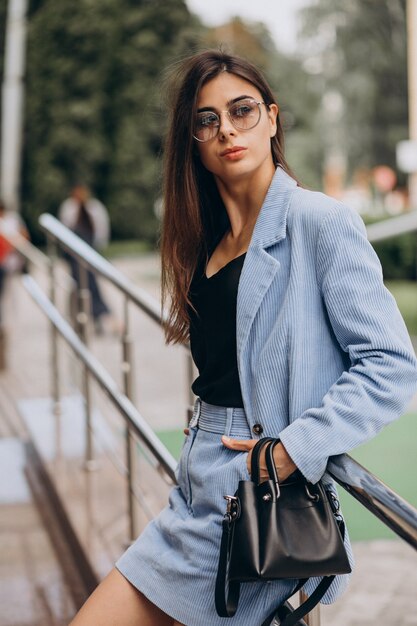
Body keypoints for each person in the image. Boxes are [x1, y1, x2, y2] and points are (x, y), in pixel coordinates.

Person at [69, 50, 417, 626]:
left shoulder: (316, 222)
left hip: (251, 492)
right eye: (207, 120)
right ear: (193, 142)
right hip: (196, 482)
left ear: (273, 119)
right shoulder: (204, 242)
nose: (226, 129)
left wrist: (293, 449)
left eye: (242, 110)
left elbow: (390, 364)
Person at [58, 185, 111, 333]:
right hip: (75, 255)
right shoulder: (69, 207)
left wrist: (98, 248)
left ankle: (96, 317)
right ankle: (78, 318)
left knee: (91, 286)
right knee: (77, 286)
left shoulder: (94, 207)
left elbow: (101, 229)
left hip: (89, 251)